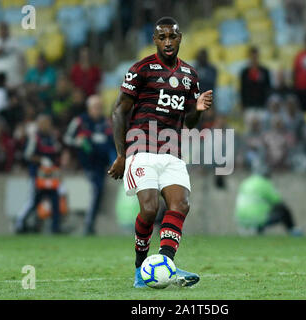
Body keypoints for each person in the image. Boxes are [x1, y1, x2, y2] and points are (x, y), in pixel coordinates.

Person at [108, 17, 213, 288]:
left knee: (181, 204)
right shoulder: (141, 69)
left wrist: (198, 109)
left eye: (173, 37)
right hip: (141, 148)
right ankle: (139, 269)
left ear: (180, 39)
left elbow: (189, 121)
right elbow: (120, 110)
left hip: (172, 151)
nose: (168, 42)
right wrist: (121, 154)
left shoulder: (190, 75)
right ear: (155, 40)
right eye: (162, 37)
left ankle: (166, 264)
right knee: (150, 208)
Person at [64, 95, 116, 235]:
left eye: (100, 107)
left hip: (101, 164)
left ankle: (90, 223)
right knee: (96, 188)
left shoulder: (106, 122)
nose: (98, 110)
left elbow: (112, 142)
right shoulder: (80, 121)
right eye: (95, 107)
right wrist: (78, 142)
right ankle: (88, 224)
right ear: (89, 108)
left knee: (98, 190)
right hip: (86, 163)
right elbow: (67, 138)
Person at [14, 114, 63, 234]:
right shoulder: (34, 138)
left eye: (48, 123)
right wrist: (41, 160)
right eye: (44, 123)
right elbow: (27, 155)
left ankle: (55, 228)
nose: (46, 126)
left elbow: (57, 153)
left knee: (55, 200)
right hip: (37, 175)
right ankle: (20, 222)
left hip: (51, 176)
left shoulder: (52, 138)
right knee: (33, 201)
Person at [235, 165, 302, 236]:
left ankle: (255, 230)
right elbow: (278, 201)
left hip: (240, 218)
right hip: (257, 218)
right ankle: (293, 231)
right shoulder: (264, 183)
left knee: (260, 209)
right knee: (283, 210)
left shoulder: (246, 182)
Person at [0, 22, 24, 89]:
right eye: (1, 29)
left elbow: (22, 58)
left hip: (14, 78)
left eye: (5, 29)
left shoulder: (15, 42)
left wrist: (22, 72)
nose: (3, 31)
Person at [240, 47, 271, 123]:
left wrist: (268, 103)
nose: (254, 58)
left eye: (255, 56)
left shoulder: (265, 71)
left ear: (258, 57)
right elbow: (242, 89)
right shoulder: (244, 73)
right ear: (249, 57)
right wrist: (243, 105)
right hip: (249, 106)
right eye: (252, 57)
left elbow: (268, 88)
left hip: (262, 106)